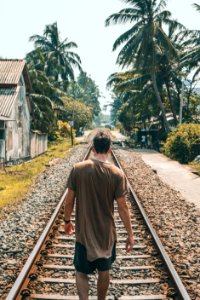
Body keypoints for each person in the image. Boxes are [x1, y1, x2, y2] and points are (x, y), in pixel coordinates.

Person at [64, 131, 134, 300]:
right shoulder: (117, 173)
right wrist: (130, 234)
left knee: (81, 272)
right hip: (106, 235)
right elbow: (123, 208)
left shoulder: (78, 169)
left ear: (93, 148)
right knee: (104, 271)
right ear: (110, 149)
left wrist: (67, 221)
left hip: (84, 235)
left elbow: (69, 201)